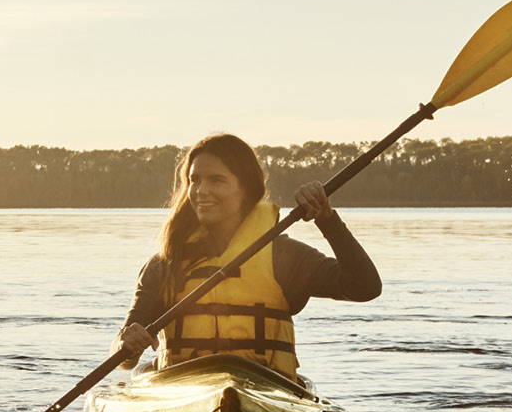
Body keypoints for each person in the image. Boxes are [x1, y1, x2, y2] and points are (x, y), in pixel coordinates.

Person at [110, 133, 381, 379]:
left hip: (264, 390)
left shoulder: (283, 257)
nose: (201, 190)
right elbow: (122, 359)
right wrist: (127, 343)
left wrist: (327, 219)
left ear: (246, 189)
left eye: (216, 180)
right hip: (182, 390)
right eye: (194, 180)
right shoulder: (164, 264)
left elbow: (365, 287)